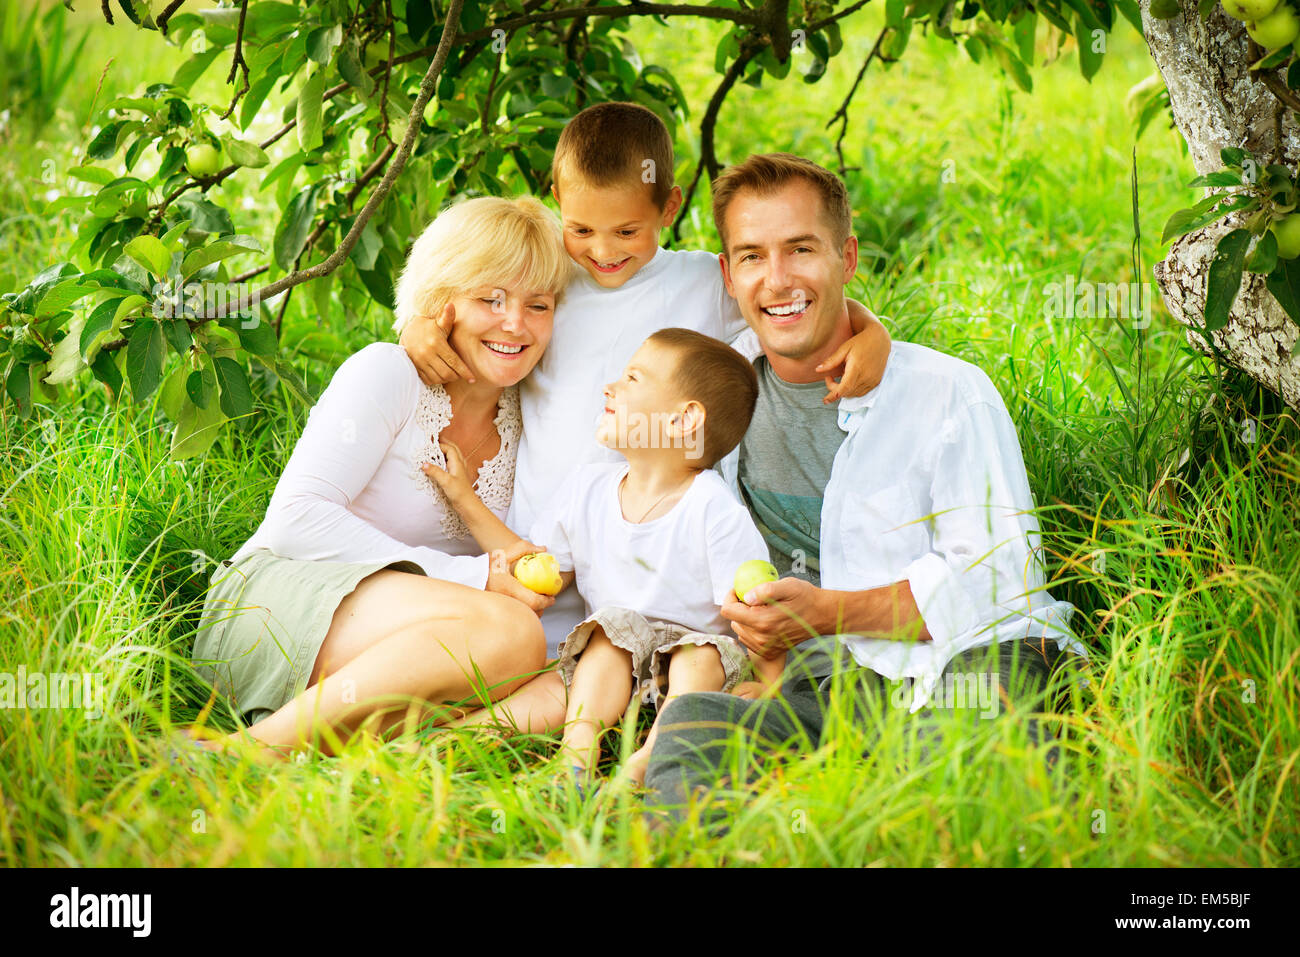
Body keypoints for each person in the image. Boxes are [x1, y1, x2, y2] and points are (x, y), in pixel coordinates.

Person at [399, 102, 894, 731]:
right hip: (551, 550)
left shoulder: (698, 283)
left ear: (669, 208)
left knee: (628, 669)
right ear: (556, 202)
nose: (603, 251)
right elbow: (467, 297)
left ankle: (642, 734)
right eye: (582, 229)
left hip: (657, 567)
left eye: (627, 232)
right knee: (522, 672)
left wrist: (869, 330)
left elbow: (793, 303)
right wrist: (418, 325)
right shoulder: (549, 279)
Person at [642, 153, 1088, 821]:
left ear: (846, 258)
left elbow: (998, 585)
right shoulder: (715, 391)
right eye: (754, 256)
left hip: (968, 660)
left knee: (958, 777)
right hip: (824, 686)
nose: (779, 278)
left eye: (801, 249)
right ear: (729, 275)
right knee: (694, 732)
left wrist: (827, 612)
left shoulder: (948, 393)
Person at [188, 196, 575, 757]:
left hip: (412, 637)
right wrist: (471, 579)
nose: (515, 323)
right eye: (490, 298)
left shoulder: (530, 416)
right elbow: (296, 520)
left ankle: (387, 756)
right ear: (443, 302)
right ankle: (244, 753)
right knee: (511, 633)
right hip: (278, 603)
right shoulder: (390, 371)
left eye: (538, 305)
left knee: (544, 668)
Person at [427, 328, 777, 786]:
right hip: (612, 666)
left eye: (632, 378)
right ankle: (571, 759)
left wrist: (769, 688)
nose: (610, 387)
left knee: (700, 652)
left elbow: (759, 619)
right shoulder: (588, 489)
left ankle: (653, 758)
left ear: (684, 419)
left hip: (691, 679)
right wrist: (463, 497)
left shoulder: (714, 510)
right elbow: (535, 567)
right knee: (607, 637)